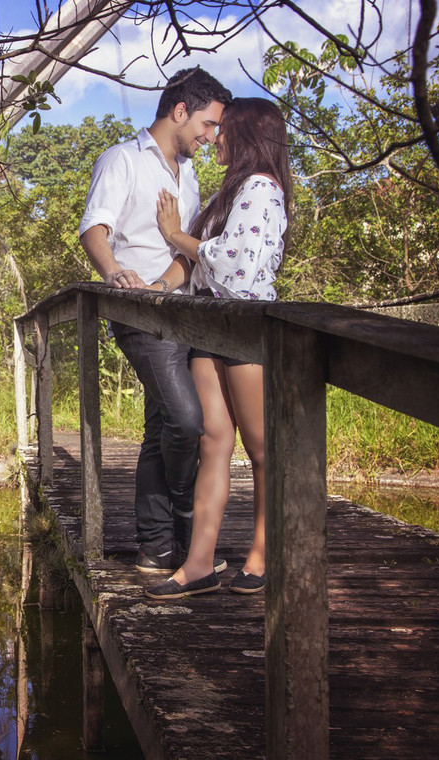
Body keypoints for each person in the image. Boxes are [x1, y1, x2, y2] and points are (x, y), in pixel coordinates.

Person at [78, 68, 233, 573]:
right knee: (186, 421)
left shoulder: (188, 175)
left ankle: (157, 546)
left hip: (181, 310)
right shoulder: (122, 159)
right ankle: (184, 516)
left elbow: (187, 249)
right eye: (207, 124)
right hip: (140, 316)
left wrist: (165, 285)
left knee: (159, 427)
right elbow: (94, 228)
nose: (211, 136)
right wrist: (115, 273)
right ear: (180, 111)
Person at [139, 97, 293, 599]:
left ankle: (263, 556)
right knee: (213, 442)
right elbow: (206, 265)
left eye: (224, 130)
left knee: (262, 449)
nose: (215, 138)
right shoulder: (232, 189)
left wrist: (174, 234)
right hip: (210, 326)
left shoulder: (262, 187)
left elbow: (235, 266)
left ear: (247, 134)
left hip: (244, 325)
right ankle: (199, 564)